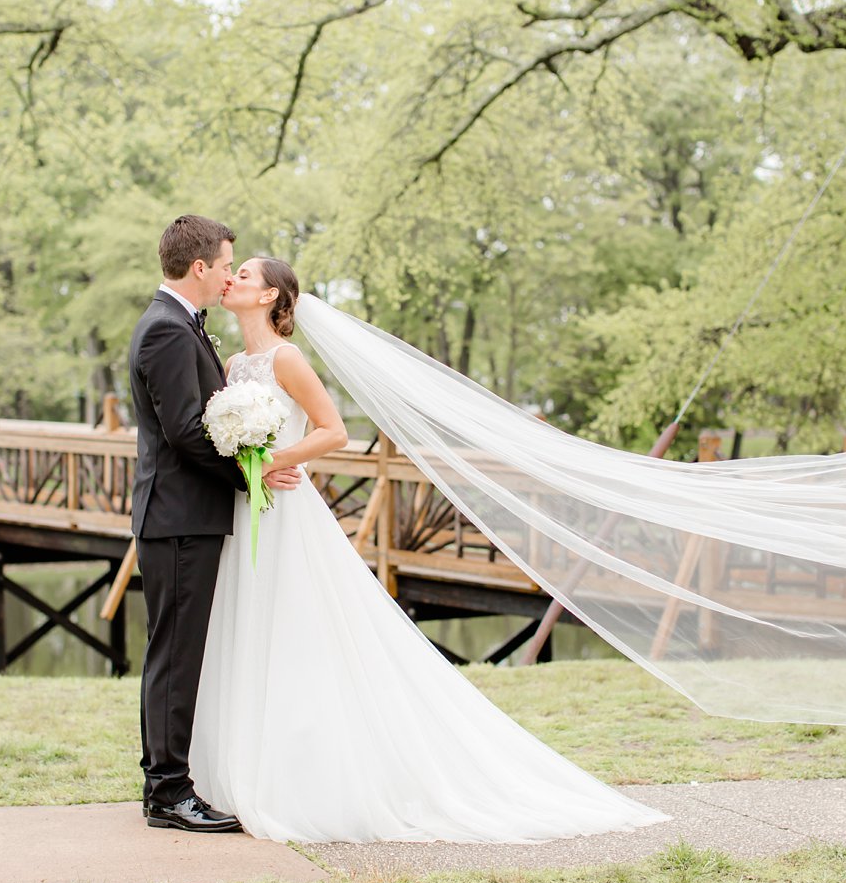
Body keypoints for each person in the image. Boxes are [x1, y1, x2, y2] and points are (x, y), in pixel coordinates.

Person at [188, 255, 669, 842]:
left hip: (286, 509)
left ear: (269, 297)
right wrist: (245, 464)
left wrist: (273, 460)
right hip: (249, 506)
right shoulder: (234, 362)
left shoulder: (287, 360)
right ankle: (241, 770)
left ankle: (307, 775)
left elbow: (333, 431)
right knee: (246, 625)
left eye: (245, 275)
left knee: (297, 628)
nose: (231, 279)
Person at [127, 217, 300, 834]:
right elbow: (186, 432)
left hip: (182, 517)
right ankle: (169, 791)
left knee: (173, 652)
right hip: (178, 517)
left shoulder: (180, 326)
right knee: (175, 655)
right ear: (200, 267)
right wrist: (249, 477)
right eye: (226, 263)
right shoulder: (169, 331)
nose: (230, 273)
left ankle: (164, 784)